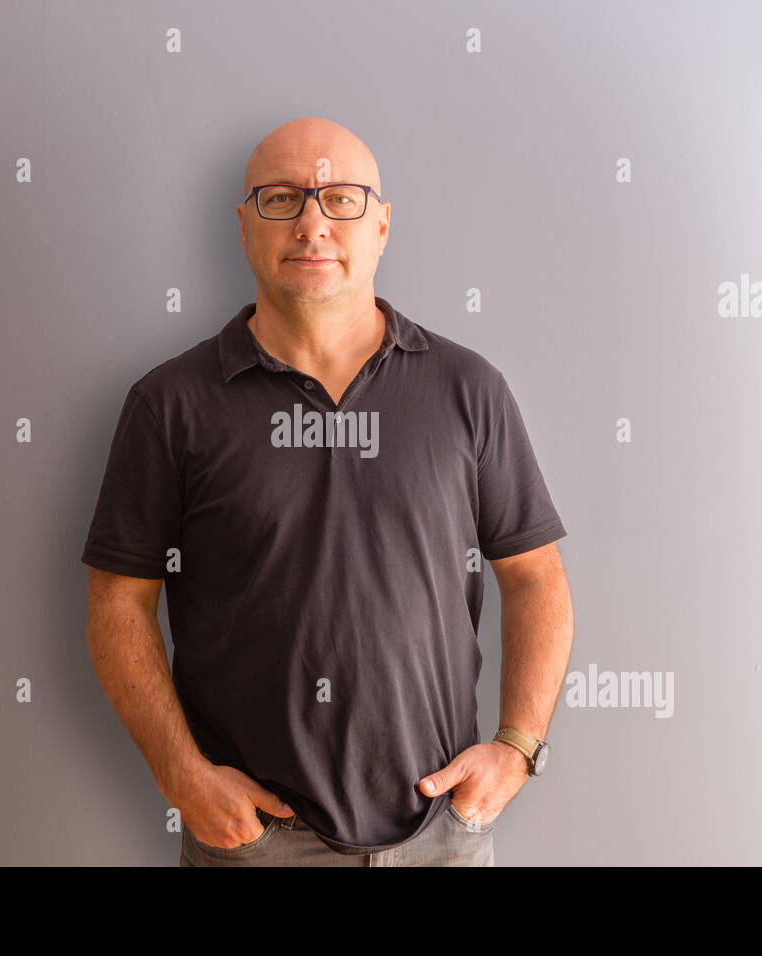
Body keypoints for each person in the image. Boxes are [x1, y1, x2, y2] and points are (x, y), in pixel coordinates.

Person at [81, 117, 574, 866]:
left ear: (380, 225)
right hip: (254, 845)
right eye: (282, 199)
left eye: (341, 199)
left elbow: (536, 576)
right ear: (245, 226)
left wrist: (517, 747)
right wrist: (181, 776)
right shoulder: (171, 405)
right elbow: (117, 603)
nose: (313, 224)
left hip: (439, 836)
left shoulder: (468, 390)